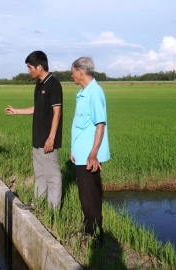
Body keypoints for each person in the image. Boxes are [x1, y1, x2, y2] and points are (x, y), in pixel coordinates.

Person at [5, 51, 63, 209]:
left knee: (52, 176)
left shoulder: (54, 84)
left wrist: (51, 138)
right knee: (40, 174)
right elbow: (38, 108)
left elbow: (57, 112)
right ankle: (37, 204)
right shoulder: (39, 84)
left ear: (39, 66)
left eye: (30, 67)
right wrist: (17, 111)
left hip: (47, 138)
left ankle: (53, 211)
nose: (28, 71)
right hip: (37, 137)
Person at [70, 56, 110, 242]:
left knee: (91, 195)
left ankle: (95, 234)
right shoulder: (84, 93)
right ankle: (88, 229)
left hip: (89, 156)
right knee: (85, 194)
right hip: (81, 154)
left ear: (80, 71)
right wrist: (74, 149)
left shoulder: (95, 93)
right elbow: (81, 125)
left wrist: (93, 154)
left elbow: (100, 125)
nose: (71, 76)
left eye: (73, 72)